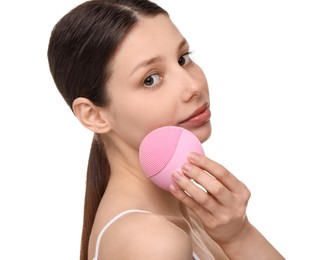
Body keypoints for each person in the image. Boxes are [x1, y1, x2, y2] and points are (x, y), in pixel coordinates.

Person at [47, 0, 285, 259]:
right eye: (150, 79)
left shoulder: (191, 216)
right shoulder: (151, 240)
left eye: (183, 59)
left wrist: (238, 234)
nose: (193, 86)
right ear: (93, 115)